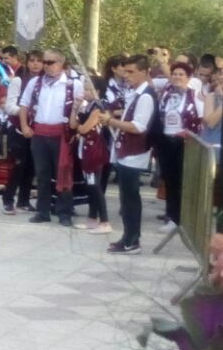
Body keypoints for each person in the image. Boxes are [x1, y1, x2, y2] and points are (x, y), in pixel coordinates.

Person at [19, 49, 77, 226]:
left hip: (61, 134)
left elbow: (80, 110)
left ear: (61, 63)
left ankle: (64, 212)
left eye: (50, 62)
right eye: (45, 62)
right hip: (40, 134)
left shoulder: (72, 85)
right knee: (42, 173)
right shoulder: (36, 83)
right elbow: (24, 105)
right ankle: (42, 211)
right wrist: (24, 125)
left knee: (64, 173)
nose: (45, 65)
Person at [106, 56, 156, 253]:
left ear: (144, 72)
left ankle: (133, 240)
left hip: (135, 152)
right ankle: (128, 236)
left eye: (131, 72)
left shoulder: (145, 96)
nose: (127, 76)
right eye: (125, 72)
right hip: (126, 150)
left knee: (130, 198)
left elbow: (138, 127)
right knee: (125, 198)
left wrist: (111, 121)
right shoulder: (134, 93)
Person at [155, 61, 203, 232]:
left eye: (181, 74)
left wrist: (190, 134)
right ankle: (172, 217)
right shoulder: (166, 94)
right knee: (170, 180)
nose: (177, 77)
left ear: (188, 77)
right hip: (167, 141)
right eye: (175, 74)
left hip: (185, 143)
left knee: (184, 181)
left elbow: (202, 119)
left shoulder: (195, 95)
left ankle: (185, 219)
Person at [0, 50, 40, 214]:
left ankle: (24, 200)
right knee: (18, 165)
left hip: (38, 130)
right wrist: (27, 112)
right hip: (18, 129)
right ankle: (8, 199)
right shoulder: (18, 80)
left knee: (31, 166)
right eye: (32, 60)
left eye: (39, 61)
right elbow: (9, 106)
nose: (35, 64)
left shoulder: (46, 82)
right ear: (27, 62)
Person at [73, 77, 112, 234]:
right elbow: (73, 124)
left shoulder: (98, 108)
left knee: (95, 185)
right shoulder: (86, 106)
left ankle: (105, 220)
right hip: (84, 147)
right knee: (90, 185)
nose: (85, 92)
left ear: (98, 91)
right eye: (85, 89)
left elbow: (83, 129)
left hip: (94, 148)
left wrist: (79, 127)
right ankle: (92, 218)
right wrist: (75, 108)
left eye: (89, 89)